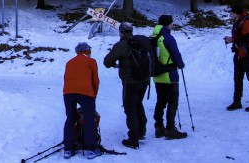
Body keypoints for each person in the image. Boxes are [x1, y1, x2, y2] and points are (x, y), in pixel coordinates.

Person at [103, 22, 148, 150]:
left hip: (130, 82)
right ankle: (141, 131)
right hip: (144, 80)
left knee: (130, 108)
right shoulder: (140, 41)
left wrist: (115, 64)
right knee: (138, 103)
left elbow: (107, 61)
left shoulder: (121, 45)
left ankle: (133, 139)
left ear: (121, 32)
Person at [62, 42, 101, 159]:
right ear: (87, 51)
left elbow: (66, 78)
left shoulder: (69, 62)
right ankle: (90, 149)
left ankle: (68, 149)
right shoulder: (91, 61)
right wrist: (94, 95)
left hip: (68, 93)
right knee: (89, 118)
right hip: (86, 92)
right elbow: (95, 81)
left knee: (70, 118)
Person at [151, 15, 187, 140]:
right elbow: (176, 55)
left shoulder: (154, 37)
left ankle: (159, 127)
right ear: (168, 24)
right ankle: (170, 129)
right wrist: (181, 64)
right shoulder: (168, 38)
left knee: (160, 101)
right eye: (171, 23)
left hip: (157, 75)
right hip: (169, 75)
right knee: (172, 101)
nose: (172, 25)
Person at [223, 5, 249, 112]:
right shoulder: (239, 21)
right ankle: (237, 102)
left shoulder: (247, 21)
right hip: (240, 54)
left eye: (232, 13)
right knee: (237, 78)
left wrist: (232, 39)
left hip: (248, 54)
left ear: (237, 13)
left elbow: (247, 38)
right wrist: (232, 40)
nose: (230, 15)